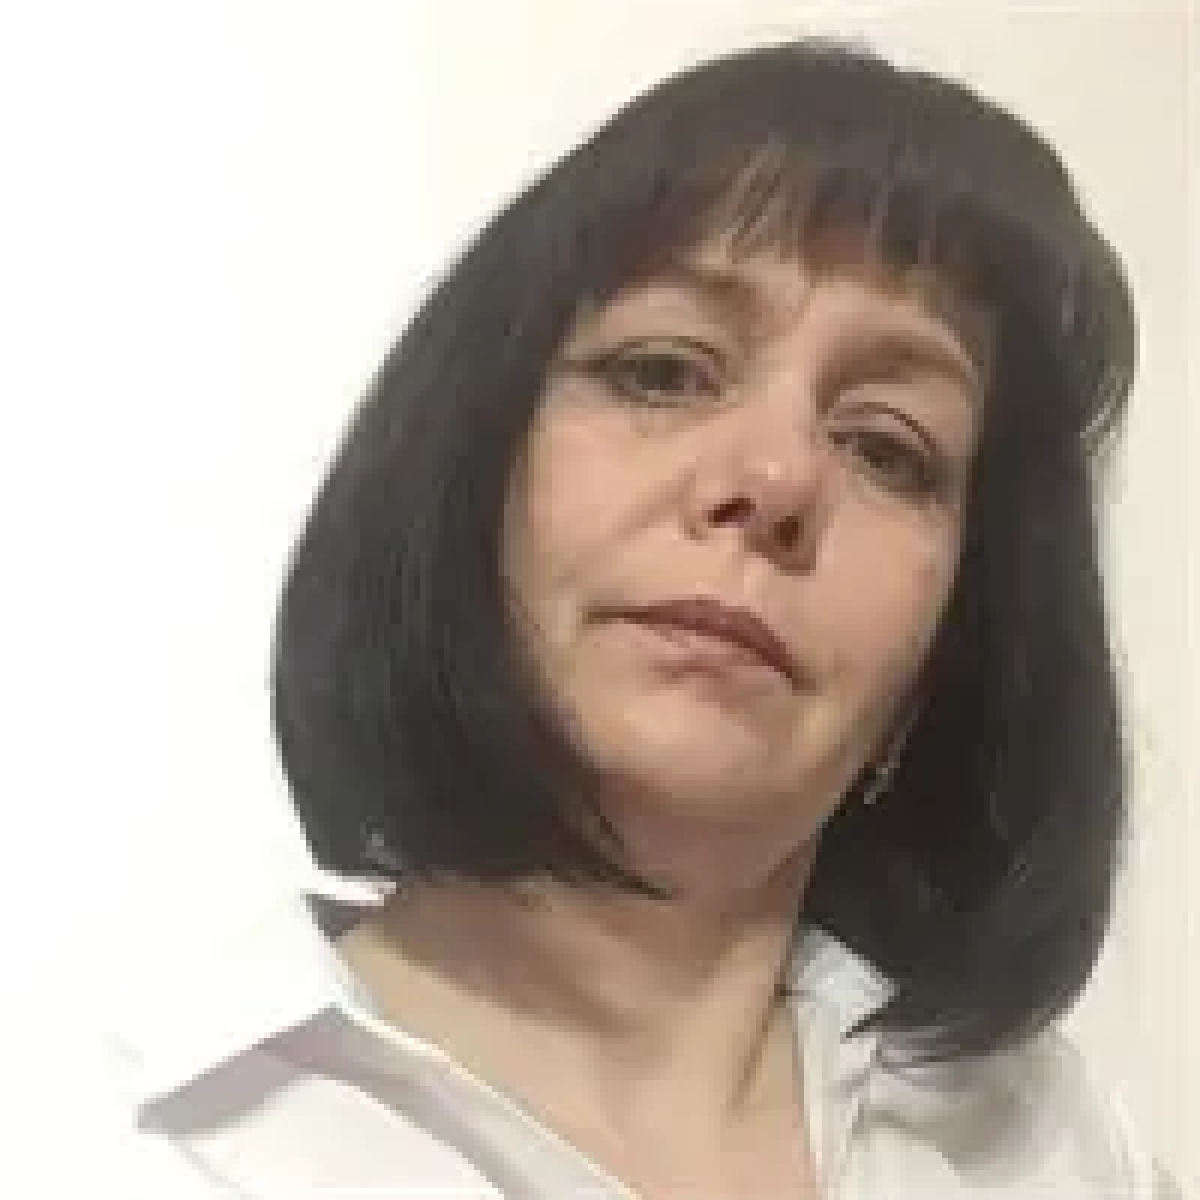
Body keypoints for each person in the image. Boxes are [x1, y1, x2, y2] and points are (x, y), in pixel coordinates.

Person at [101, 36, 1183, 1199]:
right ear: (471, 473)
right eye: (664, 371)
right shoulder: (107, 1149)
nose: (776, 477)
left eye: (886, 447)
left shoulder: (1055, 1151)